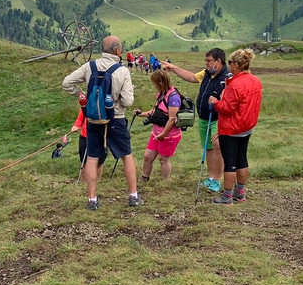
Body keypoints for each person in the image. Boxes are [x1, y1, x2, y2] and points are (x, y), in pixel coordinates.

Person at [62, 36, 142, 210]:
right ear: (118, 51)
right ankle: (133, 196)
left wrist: (81, 94)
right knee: (126, 155)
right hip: (116, 118)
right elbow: (128, 101)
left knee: (92, 157)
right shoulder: (122, 71)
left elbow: (66, 83)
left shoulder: (89, 66)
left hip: (93, 119)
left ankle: (92, 199)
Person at [161, 49, 230, 192]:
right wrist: (173, 68)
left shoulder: (227, 77)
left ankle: (217, 180)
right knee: (209, 147)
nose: (206, 64)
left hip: (219, 117)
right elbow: (192, 77)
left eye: (209, 61)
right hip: (204, 117)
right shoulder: (206, 73)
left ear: (218, 61)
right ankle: (211, 177)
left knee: (217, 146)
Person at [208, 49, 262, 204]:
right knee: (241, 159)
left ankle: (227, 196)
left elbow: (227, 108)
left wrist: (215, 103)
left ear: (237, 65)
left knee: (230, 161)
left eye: (231, 62)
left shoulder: (236, 84)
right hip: (247, 126)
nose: (229, 65)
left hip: (231, 127)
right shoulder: (255, 80)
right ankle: (240, 192)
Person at [137, 69, 183, 181]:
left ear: (160, 83)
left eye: (154, 83)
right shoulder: (161, 94)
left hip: (169, 134)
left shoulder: (173, 98)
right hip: (156, 132)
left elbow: (172, 119)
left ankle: (165, 181)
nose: (154, 85)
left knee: (163, 159)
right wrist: (141, 114)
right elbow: (155, 111)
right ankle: (145, 177)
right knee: (148, 156)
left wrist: (163, 134)